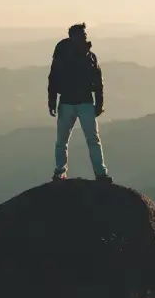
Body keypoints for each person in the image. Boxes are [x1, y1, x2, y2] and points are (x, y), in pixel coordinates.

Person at [48, 23, 112, 183]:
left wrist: (100, 102)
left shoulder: (89, 56)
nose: (85, 37)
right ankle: (61, 172)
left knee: (90, 139)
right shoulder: (64, 55)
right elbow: (53, 77)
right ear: (72, 37)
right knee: (64, 140)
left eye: (85, 35)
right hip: (72, 102)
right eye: (82, 35)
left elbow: (98, 81)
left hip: (80, 101)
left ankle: (100, 173)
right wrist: (51, 100)